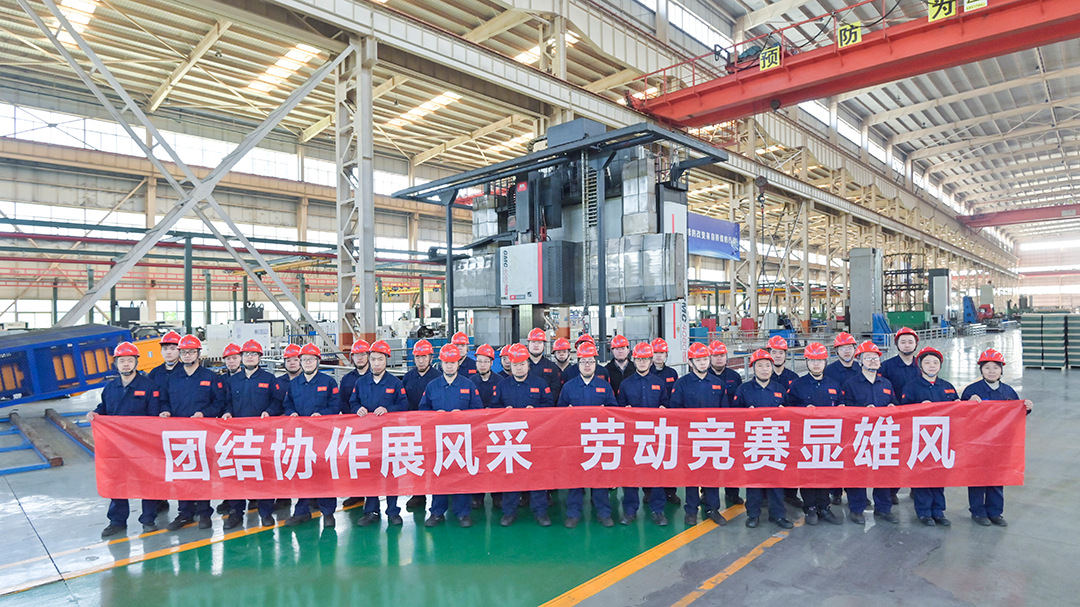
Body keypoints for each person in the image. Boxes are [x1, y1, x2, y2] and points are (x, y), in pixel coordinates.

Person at [89, 342, 161, 538]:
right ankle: (117, 520)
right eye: (122, 361)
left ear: (136, 362)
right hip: (116, 445)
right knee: (118, 482)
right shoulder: (110, 387)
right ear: (116, 364)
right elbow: (104, 407)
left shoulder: (149, 386)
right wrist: (95, 413)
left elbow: (154, 416)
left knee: (146, 481)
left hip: (142, 446)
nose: (126, 364)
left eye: (130, 360)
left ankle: (148, 519)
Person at [159, 334, 224, 532]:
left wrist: (204, 413)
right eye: (184, 352)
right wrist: (165, 411)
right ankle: (185, 513)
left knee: (202, 474)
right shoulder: (172, 378)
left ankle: (204, 513)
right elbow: (164, 400)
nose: (187, 355)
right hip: (178, 435)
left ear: (198, 354)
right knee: (182, 474)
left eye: (191, 352)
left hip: (202, 435)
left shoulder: (210, 377)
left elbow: (219, 403)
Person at [961, 348, 1033, 527]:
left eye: (995, 367)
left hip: (1000, 443)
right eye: (987, 367)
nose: (991, 371)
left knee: (997, 476)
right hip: (977, 443)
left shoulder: (1008, 392)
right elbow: (960, 416)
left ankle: (995, 512)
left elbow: (1015, 416)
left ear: (1001, 370)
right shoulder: (972, 391)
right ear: (981, 370)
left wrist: (1026, 408)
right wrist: (967, 403)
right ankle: (978, 511)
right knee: (977, 476)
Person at [220, 339, 286, 529]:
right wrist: (227, 412)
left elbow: (278, 402)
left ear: (259, 357)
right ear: (241, 357)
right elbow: (227, 402)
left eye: (253, 354)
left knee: (263, 474)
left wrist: (269, 412)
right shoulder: (232, 381)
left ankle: (265, 512)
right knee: (237, 475)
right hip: (238, 436)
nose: (250, 357)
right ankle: (236, 512)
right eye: (246, 354)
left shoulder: (269, 379)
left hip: (262, 436)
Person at [420, 344, 483, 528]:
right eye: (446, 362)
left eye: (453, 362)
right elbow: (422, 410)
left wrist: (463, 415)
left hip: (462, 441)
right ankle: (437, 512)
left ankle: (463, 513)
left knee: (461, 475)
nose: (449, 366)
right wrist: (434, 414)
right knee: (438, 474)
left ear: (458, 363)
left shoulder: (468, 385)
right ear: (441, 363)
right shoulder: (432, 386)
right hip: (439, 441)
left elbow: (478, 410)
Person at [556, 340, 618, 527]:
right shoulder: (569, 387)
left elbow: (614, 410)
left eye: (591, 361)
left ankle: (603, 512)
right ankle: (573, 513)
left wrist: (606, 411)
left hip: (598, 439)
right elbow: (559, 412)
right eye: (583, 361)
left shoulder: (604, 386)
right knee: (575, 477)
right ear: (578, 363)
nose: (587, 365)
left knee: (599, 477)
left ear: (596, 363)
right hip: (575, 439)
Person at [492, 343, 554, 527]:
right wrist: (505, 411)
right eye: (515, 364)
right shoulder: (502, 385)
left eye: (522, 364)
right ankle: (509, 512)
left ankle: (540, 512)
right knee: (510, 476)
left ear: (528, 364)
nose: (519, 367)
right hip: (510, 440)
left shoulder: (540, 384)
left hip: (535, 438)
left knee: (537, 475)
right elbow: (493, 408)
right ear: (510, 365)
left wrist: (536, 410)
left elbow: (550, 405)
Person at [731, 349, 793, 530]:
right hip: (753, 443)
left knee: (776, 481)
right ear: (753, 368)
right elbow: (733, 415)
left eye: (767, 365)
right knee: (754, 481)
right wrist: (745, 414)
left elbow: (791, 414)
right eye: (760, 366)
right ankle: (753, 515)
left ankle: (778, 515)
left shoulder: (779, 390)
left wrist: (784, 412)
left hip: (775, 442)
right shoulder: (744, 390)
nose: (764, 369)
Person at [839, 341, 899, 525]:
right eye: (868, 358)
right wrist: (863, 410)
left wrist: (892, 406)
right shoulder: (851, 384)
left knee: (883, 472)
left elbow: (895, 403)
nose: (873, 361)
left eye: (875, 358)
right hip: (860, 435)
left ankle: (883, 508)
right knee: (857, 471)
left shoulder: (886, 383)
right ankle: (856, 508)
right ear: (860, 361)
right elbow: (846, 407)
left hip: (882, 435)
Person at [668, 342, 728, 526]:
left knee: (712, 474)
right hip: (690, 438)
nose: (703, 363)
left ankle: (713, 508)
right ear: (691, 362)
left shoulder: (718, 384)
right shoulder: (682, 384)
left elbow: (726, 412)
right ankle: (691, 510)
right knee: (691, 474)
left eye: (705, 359)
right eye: (699, 360)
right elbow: (675, 410)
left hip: (713, 437)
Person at [351, 340, 409, 528]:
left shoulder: (395, 383)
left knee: (391, 473)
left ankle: (393, 511)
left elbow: (404, 405)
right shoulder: (361, 383)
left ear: (386, 360)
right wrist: (357, 408)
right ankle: (371, 511)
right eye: (374, 359)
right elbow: (352, 402)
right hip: (368, 437)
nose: (376, 363)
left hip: (389, 437)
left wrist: (388, 409)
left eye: (380, 359)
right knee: (371, 474)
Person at [282, 343, 340, 529]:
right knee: (302, 473)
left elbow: (336, 405)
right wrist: (291, 413)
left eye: (311, 359)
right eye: (304, 359)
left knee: (323, 474)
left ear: (318, 361)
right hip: (301, 437)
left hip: (322, 436)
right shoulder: (294, 384)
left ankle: (328, 512)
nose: (307, 362)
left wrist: (322, 414)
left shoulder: (328, 382)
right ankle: (301, 511)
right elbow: (288, 404)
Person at [785, 342, 843, 525]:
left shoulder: (834, 384)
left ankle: (824, 507)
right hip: (805, 438)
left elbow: (842, 407)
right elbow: (788, 409)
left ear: (825, 362)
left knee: (825, 472)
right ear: (806, 362)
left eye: (819, 360)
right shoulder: (797, 385)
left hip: (828, 438)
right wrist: (803, 409)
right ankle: (810, 507)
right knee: (807, 473)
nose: (816, 364)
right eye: (812, 360)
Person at [901, 346, 958, 527]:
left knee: (939, 475)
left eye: (935, 362)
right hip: (920, 440)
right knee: (922, 476)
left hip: (942, 440)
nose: (932, 366)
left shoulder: (947, 387)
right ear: (920, 366)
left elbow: (959, 412)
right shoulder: (911, 387)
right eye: (927, 362)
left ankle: (938, 511)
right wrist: (918, 407)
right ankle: (924, 512)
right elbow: (903, 413)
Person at [616, 342, 670, 526]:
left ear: (651, 360)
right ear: (634, 360)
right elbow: (618, 409)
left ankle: (658, 510)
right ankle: (630, 511)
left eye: (645, 359)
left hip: (655, 436)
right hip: (632, 436)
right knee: (631, 474)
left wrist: (664, 409)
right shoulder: (625, 384)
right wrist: (625, 410)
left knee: (656, 474)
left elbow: (666, 404)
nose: (642, 362)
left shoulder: (659, 383)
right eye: (639, 359)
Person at [879, 327, 921, 505]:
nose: (907, 345)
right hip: (894, 418)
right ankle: (891, 489)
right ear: (897, 344)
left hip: (918, 418)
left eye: (910, 342)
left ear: (916, 344)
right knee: (894, 455)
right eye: (903, 342)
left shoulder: (922, 364)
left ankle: (916, 487)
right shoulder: (887, 366)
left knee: (917, 452)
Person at [402, 339, 439, 510]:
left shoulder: (438, 377)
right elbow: (402, 402)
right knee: (416, 460)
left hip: (434, 427)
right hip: (413, 427)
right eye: (418, 357)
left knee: (436, 460)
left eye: (424, 357)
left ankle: (440, 493)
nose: (421, 360)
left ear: (431, 358)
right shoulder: (408, 378)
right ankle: (418, 494)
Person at [824, 331, 859, 506]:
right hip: (835, 421)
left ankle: (856, 494)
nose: (846, 351)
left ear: (855, 349)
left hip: (857, 422)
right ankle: (835, 491)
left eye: (849, 347)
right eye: (842, 348)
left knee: (855, 457)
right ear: (836, 351)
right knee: (836, 456)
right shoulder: (829, 371)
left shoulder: (861, 369)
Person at [707, 340, 743, 507]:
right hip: (709, 428)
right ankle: (706, 493)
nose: (719, 358)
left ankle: (732, 492)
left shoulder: (734, 377)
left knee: (731, 460)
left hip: (731, 426)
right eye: (715, 355)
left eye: (722, 355)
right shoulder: (704, 376)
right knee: (709, 462)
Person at [339, 339, 371, 510]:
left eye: (363, 354)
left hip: (374, 428)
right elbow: (342, 401)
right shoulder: (347, 379)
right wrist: (353, 415)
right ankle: (356, 493)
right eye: (356, 355)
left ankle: (372, 495)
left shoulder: (376, 376)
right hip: (354, 427)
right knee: (355, 462)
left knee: (372, 462)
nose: (359, 358)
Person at [650, 337, 681, 505]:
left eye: (661, 353)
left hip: (668, 422)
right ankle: (649, 491)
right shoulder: (646, 373)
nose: (658, 356)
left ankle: (670, 491)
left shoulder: (672, 374)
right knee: (650, 457)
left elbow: (675, 396)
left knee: (669, 457)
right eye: (655, 352)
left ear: (666, 355)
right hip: (649, 423)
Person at [526, 327, 562, 402]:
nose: (536, 345)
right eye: (533, 342)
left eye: (539, 342)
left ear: (544, 345)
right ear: (528, 344)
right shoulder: (521, 367)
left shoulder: (552, 367)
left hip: (546, 406)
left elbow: (555, 390)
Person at [470, 344, 500, 408]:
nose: (482, 365)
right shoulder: (471, 381)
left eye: (486, 361)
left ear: (491, 363)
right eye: (479, 361)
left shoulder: (499, 381)